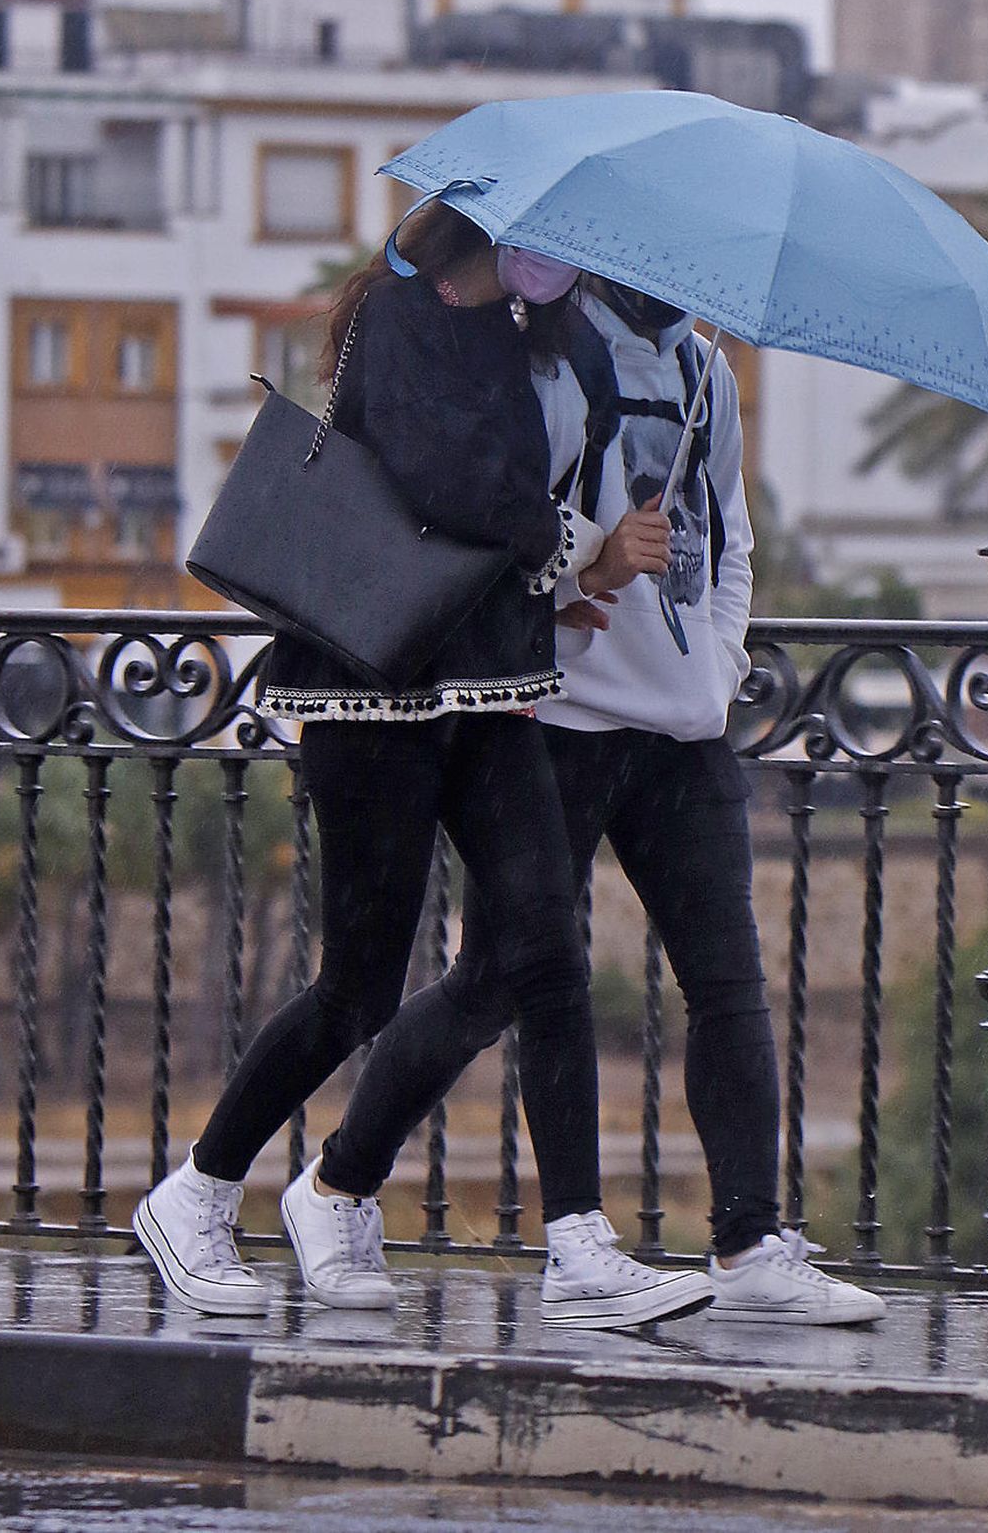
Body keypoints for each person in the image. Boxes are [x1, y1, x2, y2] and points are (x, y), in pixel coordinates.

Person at [134, 205, 709, 1332]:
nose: (559, 266)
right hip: (373, 690)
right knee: (357, 987)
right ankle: (195, 1194)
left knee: (546, 953)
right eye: (542, 245)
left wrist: (590, 355)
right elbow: (446, 478)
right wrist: (562, 542)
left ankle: (580, 1245)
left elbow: (543, 458)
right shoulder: (395, 323)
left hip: (490, 686)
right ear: (477, 234)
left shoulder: (529, 334)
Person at [319, 274, 885, 1326]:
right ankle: (341, 1180)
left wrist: (713, 670)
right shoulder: (540, 361)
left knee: (728, 981)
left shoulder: (704, 370)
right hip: (560, 725)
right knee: (492, 982)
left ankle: (751, 1240)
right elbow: (500, 525)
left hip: (683, 731)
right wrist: (581, 584)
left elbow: (730, 542)